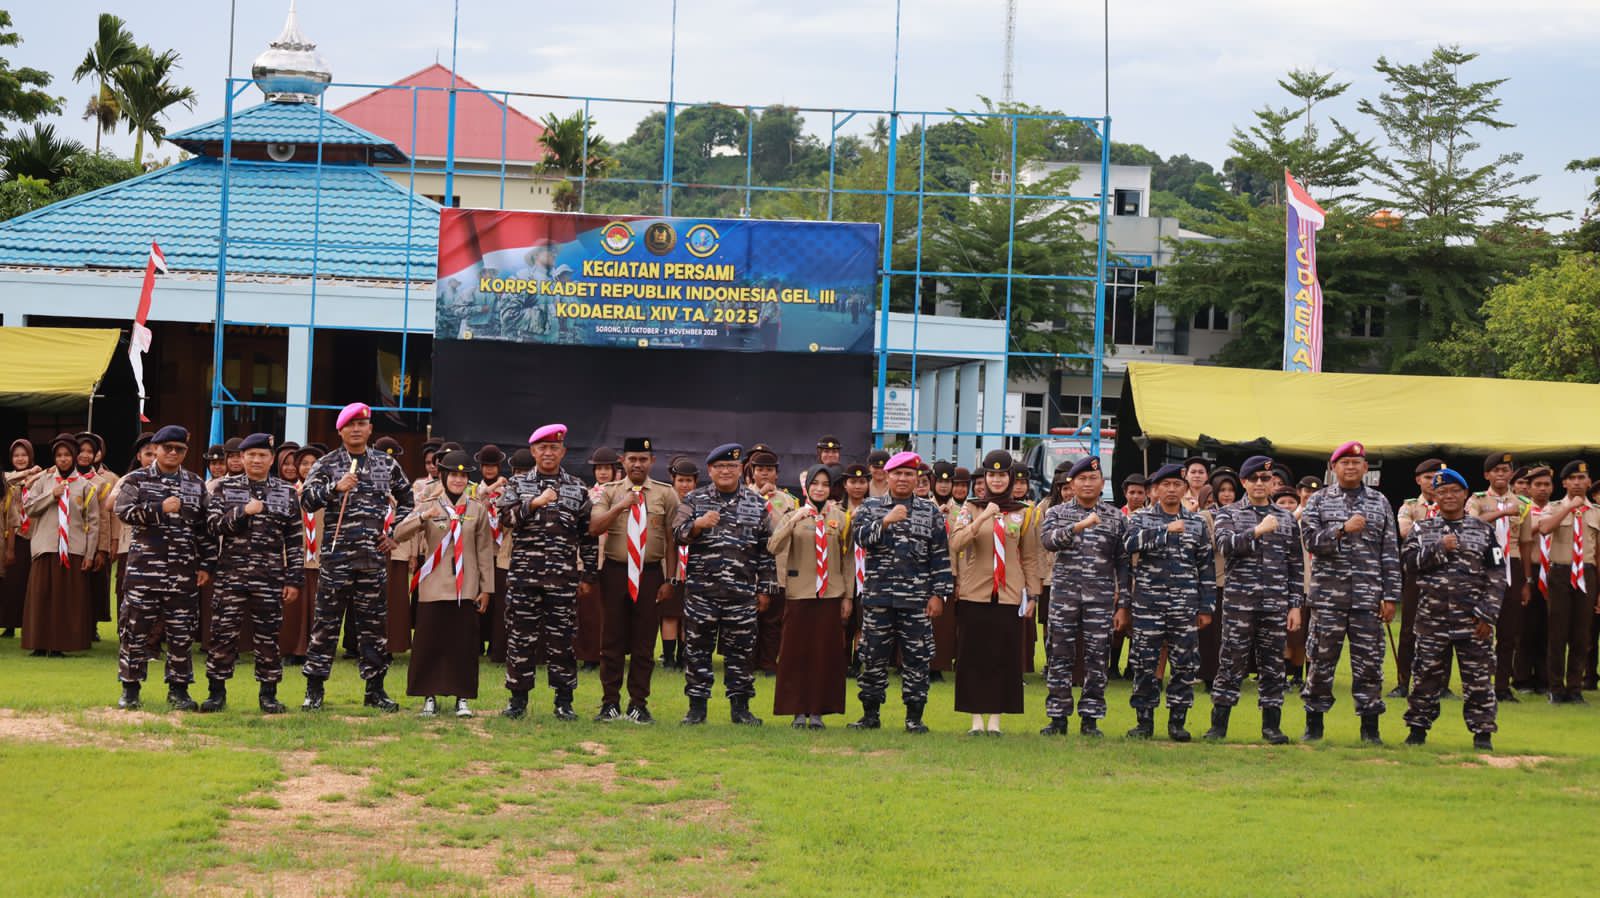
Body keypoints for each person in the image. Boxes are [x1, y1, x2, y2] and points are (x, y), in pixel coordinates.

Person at [299, 403, 415, 712]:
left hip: (372, 560)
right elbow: (308, 502)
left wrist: (394, 534)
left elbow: (407, 500)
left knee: (373, 629)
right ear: (340, 430)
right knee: (325, 626)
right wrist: (335, 489)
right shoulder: (326, 464)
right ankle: (314, 690)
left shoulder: (385, 464)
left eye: (362, 424)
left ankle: (375, 690)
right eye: (350, 425)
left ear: (370, 429)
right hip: (336, 560)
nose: (356, 429)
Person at [1300, 441, 1401, 744]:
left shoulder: (1380, 501)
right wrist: (1341, 529)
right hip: (1328, 598)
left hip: (1368, 598)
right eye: (1344, 462)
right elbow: (1310, 541)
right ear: (1333, 468)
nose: (1351, 467)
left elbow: (1389, 551)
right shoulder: (1318, 501)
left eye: (1356, 462)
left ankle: (1370, 729)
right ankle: (1314, 725)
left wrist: (1391, 595)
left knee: (1369, 664)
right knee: (1320, 660)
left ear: (1365, 468)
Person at [671, 444, 777, 726]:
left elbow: (767, 550)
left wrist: (765, 589)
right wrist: (698, 525)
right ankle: (696, 709)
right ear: (710, 471)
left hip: (742, 595)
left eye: (731, 466)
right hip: (702, 593)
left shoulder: (756, 504)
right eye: (719, 467)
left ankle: (740, 709)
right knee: (697, 651)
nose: (726, 471)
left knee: (741, 653)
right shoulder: (694, 500)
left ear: (742, 469)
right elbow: (677, 534)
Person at [498, 424, 599, 720]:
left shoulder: (577, 487)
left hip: (563, 579)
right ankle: (517, 700)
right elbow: (505, 519)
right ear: (533, 451)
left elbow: (587, 534)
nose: (548, 453)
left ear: (563, 451)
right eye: (542, 447)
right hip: (524, 578)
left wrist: (589, 574)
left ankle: (564, 701)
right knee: (521, 639)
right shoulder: (517, 485)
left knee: (563, 641)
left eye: (554, 447)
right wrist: (534, 503)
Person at [848, 451, 953, 733]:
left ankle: (914, 717)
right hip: (878, 597)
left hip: (917, 600)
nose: (903, 479)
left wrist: (938, 594)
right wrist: (885, 521)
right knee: (872, 657)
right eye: (898, 474)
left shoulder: (929, 511)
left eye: (909, 474)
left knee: (917, 659)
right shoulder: (871, 507)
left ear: (917, 478)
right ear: (887, 476)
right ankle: (870, 714)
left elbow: (940, 555)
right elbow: (858, 538)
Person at [1401, 466, 1503, 750]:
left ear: (1465, 494)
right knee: (1425, 678)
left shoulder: (1483, 530)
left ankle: (1482, 734)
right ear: (1434, 496)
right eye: (1442, 492)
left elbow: (1497, 576)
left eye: (1454, 491)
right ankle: (1417, 730)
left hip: (1473, 620)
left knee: (1479, 680)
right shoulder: (1423, 529)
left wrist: (1487, 614)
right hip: (1432, 620)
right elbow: (1408, 564)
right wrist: (1437, 548)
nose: (1448, 496)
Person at [1206, 456, 1304, 744]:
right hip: (1240, 602)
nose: (1260, 484)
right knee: (1231, 661)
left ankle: (1271, 726)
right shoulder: (1229, 514)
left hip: (1275, 602)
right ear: (1244, 482)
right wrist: (1257, 531)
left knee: (1273, 664)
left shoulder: (1286, 518)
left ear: (1272, 482)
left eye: (1266, 479)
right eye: (1254, 479)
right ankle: (1219, 724)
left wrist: (1295, 605)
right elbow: (1224, 545)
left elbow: (1295, 565)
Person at [113, 425, 210, 709]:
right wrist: (158, 508)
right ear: (155, 449)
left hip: (183, 573)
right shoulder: (137, 480)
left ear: (185, 452)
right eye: (167, 447)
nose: (172, 453)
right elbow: (123, 511)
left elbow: (204, 528)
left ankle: (179, 691)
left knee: (181, 633)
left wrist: (206, 564)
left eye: (179, 449)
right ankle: (130, 689)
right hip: (144, 571)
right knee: (134, 631)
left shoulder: (195, 483)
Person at [203, 433, 300, 714]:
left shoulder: (286, 492)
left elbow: (294, 540)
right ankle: (216, 692)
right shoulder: (223, 488)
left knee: (268, 636)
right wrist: (242, 512)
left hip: (270, 577)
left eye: (262, 456)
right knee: (222, 634)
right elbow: (212, 526)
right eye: (251, 455)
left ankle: (268, 694)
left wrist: (293, 579)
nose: (256, 460)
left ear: (272, 460)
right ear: (241, 458)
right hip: (231, 576)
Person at [947, 451, 1043, 735]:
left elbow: (1029, 556)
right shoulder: (970, 509)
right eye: (991, 475)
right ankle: (976, 720)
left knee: (1003, 657)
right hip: (974, 593)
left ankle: (996, 721)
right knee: (974, 657)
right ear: (984, 478)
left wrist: (1033, 595)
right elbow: (956, 543)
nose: (997, 479)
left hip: (1008, 594)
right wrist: (983, 517)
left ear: (1010, 478)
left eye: (1002, 475)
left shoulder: (1024, 512)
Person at [1120, 463, 1215, 741]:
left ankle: (1178, 722)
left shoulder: (1196, 522)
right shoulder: (1140, 519)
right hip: (1149, 603)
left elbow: (1206, 567)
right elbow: (1128, 545)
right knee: (1144, 663)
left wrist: (1206, 606)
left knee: (1185, 664)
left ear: (1185, 488)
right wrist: (1164, 531)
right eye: (1166, 485)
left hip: (1185, 605)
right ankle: (1144, 721)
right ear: (1155, 490)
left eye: (1177, 485)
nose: (1171, 490)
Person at [395, 450, 494, 719]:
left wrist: (486, 589)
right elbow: (399, 532)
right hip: (433, 585)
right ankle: (429, 696)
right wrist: (423, 517)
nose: (459, 480)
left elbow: (485, 551)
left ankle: (462, 697)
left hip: (467, 585)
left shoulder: (477, 509)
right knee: (430, 642)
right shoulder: (429, 504)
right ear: (443, 476)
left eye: (464, 475)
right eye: (454, 474)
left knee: (464, 643)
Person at [589, 437, 679, 724]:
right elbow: (594, 527)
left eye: (643, 459)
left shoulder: (665, 494)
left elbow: (671, 540)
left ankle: (638, 703)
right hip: (615, 571)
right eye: (632, 459)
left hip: (650, 573)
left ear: (652, 461)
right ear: (622, 461)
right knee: (611, 640)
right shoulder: (609, 492)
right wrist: (620, 506)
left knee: (643, 643)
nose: (637, 464)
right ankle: (610, 703)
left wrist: (670, 579)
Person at [1038, 456, 1128, 737]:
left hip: (1100, 600)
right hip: (1064, 596)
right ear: (1071, 484)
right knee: (1059, 655)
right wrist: (1077, 526)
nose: (1088, 483)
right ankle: (1058, 716)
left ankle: (1090, 718)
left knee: (1096, 658)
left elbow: (1123, 563)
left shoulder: (1116, 517)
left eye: (1093, 479)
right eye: (1082, 479)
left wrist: (1123, 603)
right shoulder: (1057, 513)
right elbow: (1047, 542)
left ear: (1102, 483)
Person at [769, 464, 853, 727]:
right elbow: (773, 546)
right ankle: (797, 710)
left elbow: (847, 560)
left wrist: (847, 596)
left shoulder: (841, 517)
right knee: (796, 654)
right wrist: (794, 520)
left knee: (825, 654)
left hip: (830, 594)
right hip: (799, 593)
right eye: (815, 483)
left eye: (825, 484)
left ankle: (817, 710)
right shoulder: (792, 514)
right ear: (807, 487)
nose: (820, 488)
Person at [21, 434, 99, 658]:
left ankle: (60, 644)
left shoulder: (86, 486)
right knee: (41, 596)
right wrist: (51, 496)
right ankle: (39, 642)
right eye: (59, 455)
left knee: (66, 598)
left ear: (74, 458)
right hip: (45, 546)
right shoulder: (43, 481)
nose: (63, 459)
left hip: (73, 548)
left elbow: (93, 522)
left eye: (67, 455)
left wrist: (90, 553)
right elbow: (29, 508)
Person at [1531, 460, 1597, 704]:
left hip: (1587, 573)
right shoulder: (1554, 507)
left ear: (1589, 482)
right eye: (1573, 479)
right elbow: (1545, 528)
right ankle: (1556, 688)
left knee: (1582, 634)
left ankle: (1575, 688)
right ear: (1565, 483)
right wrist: (1569, 509)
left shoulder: (1596, 512)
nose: (1578, 483)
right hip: (1561, 572)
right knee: (1557, 632)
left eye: (1582, 479)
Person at [1466, 452, 1529, 702]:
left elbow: (1525, 542)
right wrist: (1502, 513)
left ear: (1511, 473)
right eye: (1496, 470)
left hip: (1511, 564)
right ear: (1487, 475)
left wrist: (1527, 581)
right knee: (1480, 627)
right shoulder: (1478, 500)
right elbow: (1472, 523)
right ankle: (1479, 682)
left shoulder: (1522, 503)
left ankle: (1502, 685)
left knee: (1509, 630)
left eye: (1506, 470)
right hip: (1485, 562)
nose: (1501, 474)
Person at [1393, 458, 1447, 699]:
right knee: (1409, 628)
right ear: (1418, 480)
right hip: (1417, 571)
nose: (1434, 482)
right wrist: (1440, 535)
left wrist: (1422, 530)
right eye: (1428, 477)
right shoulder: (1409, 506)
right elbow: (1405, 531)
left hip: (1446, 572)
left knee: (1446, 628)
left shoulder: (1454, 505)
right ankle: (1404, 682)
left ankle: (1442, 684)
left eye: (1438, 477)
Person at [747, 447, 796, 676]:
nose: (765, 474)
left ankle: (768, 661)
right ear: (752, 472)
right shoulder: (744, 495)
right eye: (760, 469)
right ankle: (748, 660)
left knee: (774, 619)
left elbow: (786, 531)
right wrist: (759, 497)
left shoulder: (787, 500)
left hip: (778, 566)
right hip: (749, 567)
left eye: (769, 470)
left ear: (777, 473)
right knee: (749, 617)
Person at [279, 443, 324, 666]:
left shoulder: (329, 493)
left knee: (316, 606)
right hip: (295, 557)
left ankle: (314, 649)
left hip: (319, 559)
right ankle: (291, 649)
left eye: (313, 463)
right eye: (304, 463)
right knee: (292, 608)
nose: (308, 467)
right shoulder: (289, 492)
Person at [1197, 467, 1241, 689]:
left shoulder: (1242, 513)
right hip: (1213, 581)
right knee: (1210, 635)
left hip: (1238, 583)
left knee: (1231, 633)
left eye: (1230, 490)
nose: (1227, 495)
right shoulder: (1205, 516)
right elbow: (1211, 545)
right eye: (1222, 490)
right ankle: (1208, 676)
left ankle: (1230, 675)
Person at [577, 447, 620, 672]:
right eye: (599, 468)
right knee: (588, 609)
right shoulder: (586, 494)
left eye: (607, 468)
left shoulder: (621, 494)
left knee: (611, 609)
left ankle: (611, 654)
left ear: (615, 471)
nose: (603, 473)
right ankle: (589, 655)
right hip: (590, 556)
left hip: (614, 554)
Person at [1515, 465, 1555, 695]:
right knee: (1525, 627)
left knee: (1548, 627)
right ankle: (1521, 678)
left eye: (1546, 484)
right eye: (1537, 485)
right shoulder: (1522, 509)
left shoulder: (1558, 508)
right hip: (1528, 569)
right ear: (1528, 488)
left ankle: (1544, 678)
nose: (1542, 489)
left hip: (1551, 572)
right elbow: (1518, 537)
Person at [372, 436, 413, 657]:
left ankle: (392, 644)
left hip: (397, 550)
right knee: (371, 600)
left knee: (395, 600)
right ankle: (369, 645)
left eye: (393, 458)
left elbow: (412, 515)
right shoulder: (365, 482)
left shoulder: (402, 486)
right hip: (371, 550)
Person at [471, 444, 511, 663]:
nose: (488, 469)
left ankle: (497, 646)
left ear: (499, 466)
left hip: (501, 549)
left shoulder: (509, 488)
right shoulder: (472, 488)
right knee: (477, 598)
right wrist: (492, 487)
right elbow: (473, 504)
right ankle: (475, 645)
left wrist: (500, 489)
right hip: (478, 550)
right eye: (485, 465)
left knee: (498, 603)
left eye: (493, 465)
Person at [659, 456, 699, 671]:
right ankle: (668, 658)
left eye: (689, 481)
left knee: (688, 615)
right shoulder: (666, 499)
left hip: (693, 565)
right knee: (669, 612)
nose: (685, 485)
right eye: (681, 480)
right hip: (670, 563)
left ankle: (684, 656)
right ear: (672, 480)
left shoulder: (700, 501)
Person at [2, 438, 41, 638]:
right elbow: (8, 480)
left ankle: (29, 623)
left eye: (24, 455)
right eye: (16, 455)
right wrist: (29, 473)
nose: (20, 458)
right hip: (13, 535)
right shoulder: (8, 478)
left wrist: (36, 476)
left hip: (33, 534)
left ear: (30, 456)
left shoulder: (41, 478)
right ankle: (9, 624)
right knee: (12, 582)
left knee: (30, 582)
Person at [928, 461, 961, 681]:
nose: (943, 486)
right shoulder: (923, 507)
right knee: (925, 620)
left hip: (951, 570)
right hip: (927, 571)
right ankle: (920, 664)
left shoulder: (961, 511)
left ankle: (939, 665)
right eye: (939, 481)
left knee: (945, 624)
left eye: (948, 482)